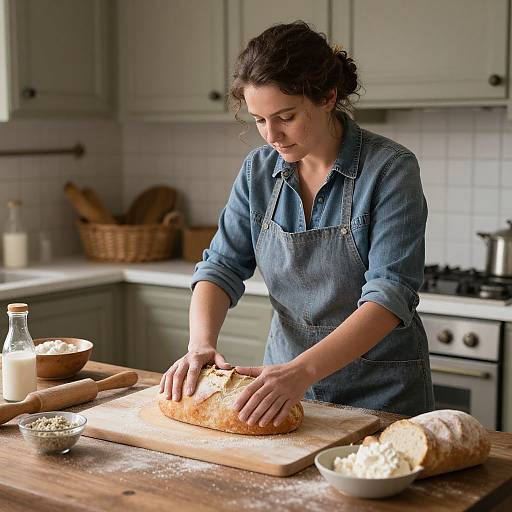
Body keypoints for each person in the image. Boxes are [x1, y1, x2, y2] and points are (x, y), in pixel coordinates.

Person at [159, 21, 434, 428]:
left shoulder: (390, 169)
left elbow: (389, 297)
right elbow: (220, 267)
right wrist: (200, 344)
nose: (272, 135)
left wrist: (302, 371)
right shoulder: (258, 171)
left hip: (382, 394)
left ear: (327, 97)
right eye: (258, 120)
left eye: (285, 116)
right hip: (280, 390)